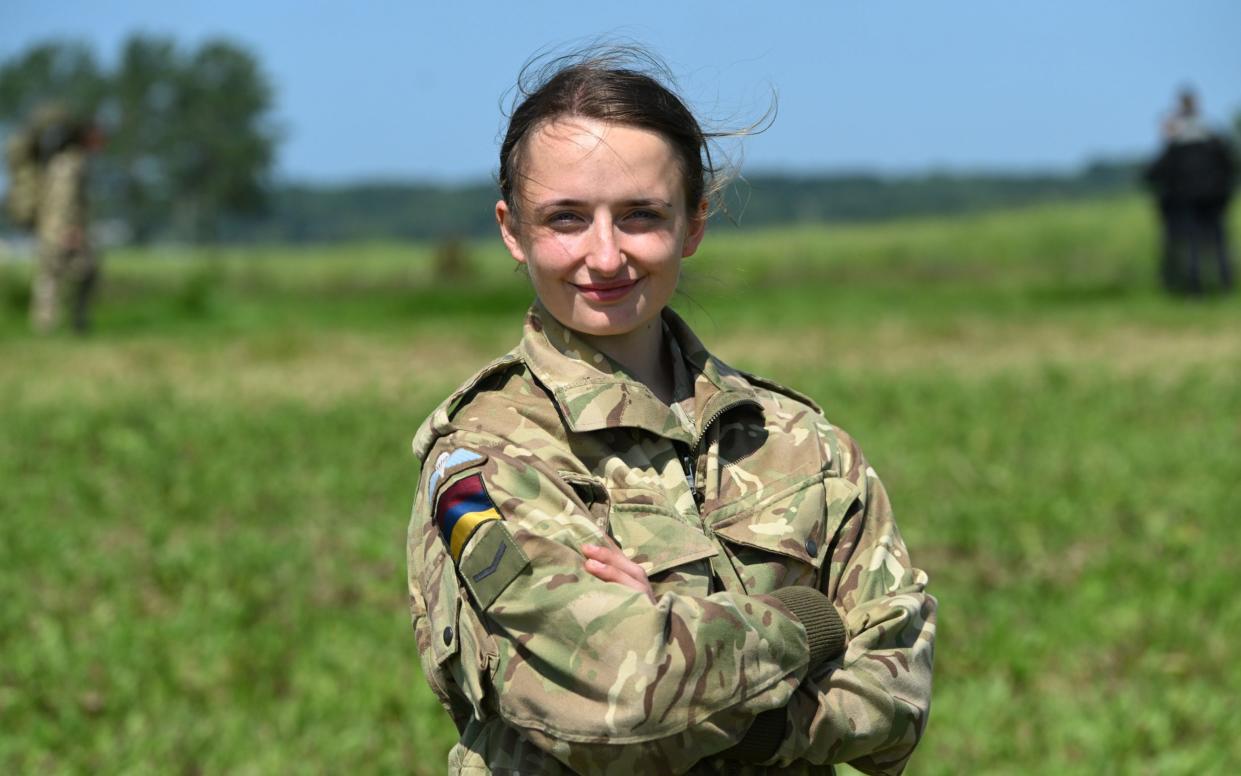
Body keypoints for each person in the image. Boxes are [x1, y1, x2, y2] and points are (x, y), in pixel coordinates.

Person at [407, 49, 936, 775]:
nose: (604, 255)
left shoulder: (801, 444)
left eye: (640, 216)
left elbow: (899, 696)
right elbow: (610, 704)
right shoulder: (483, 459)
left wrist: (680, 638)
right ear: (511, 230)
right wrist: (811, 624)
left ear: (692, 226)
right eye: (565, 218)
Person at [1144, 88, 1237, 295]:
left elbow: (1156, 172)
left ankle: (1195, 287)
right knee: (1219, 242)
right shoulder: (1212, 134)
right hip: (1214, 199)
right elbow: (1230, 165)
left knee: (1192, 243)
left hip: (1187, 200)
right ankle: (1225, 284)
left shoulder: (1176, 139)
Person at [28, 108, 103, 333]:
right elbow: (64, 198)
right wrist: (70, 229)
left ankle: (47, 326)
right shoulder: (71, 163)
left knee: (52, 276)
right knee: (74, 272)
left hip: (52, 228)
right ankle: (62, 323)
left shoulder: (64, 160)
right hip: (61, 229)